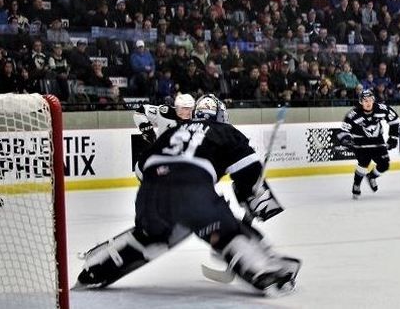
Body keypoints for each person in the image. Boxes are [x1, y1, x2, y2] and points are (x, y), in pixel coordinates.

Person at [75, 93, 300, 295]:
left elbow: (141, 169)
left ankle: (96, 267)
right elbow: (250, 176)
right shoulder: (226, 132)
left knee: (154, 234)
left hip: (149, 193)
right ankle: (264, 270)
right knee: (225, 232)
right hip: (192, 190)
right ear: (221, 116)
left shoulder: (172, 131)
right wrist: (257, 203)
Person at [337, 89, 400, 199]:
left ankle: (371, 177)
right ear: (361, 102)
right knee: (363, 164)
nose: (368, 103)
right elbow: (343, 130)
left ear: (373, 100)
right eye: (365, 100)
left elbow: (394, 120)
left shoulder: (380, 108)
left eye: (370, 100)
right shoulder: (353, 114)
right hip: (360, 141)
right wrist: (346, 140)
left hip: (377, 140)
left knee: (384, 165)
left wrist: (393, 138)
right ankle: (356, 184)